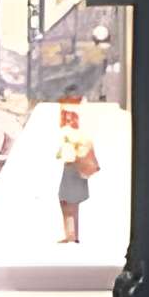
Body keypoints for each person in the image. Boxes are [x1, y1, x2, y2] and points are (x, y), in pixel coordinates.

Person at [55, 99, 98, 245]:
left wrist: (66, 151)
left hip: (75, 163)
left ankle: (71, 236)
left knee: (67, 200)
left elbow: (74, 141)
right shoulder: (75, 116)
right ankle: (72, 236)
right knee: (70, 202)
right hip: (75, 163)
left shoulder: (73, 118)